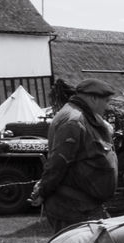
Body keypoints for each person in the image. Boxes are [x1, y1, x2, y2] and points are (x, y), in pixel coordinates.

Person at [29, 78, 119, 234]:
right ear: (93, 98)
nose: (108, 106)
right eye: (106, 101)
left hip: (82, 205)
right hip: (72, 207)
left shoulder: (81, 116)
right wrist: (43, 190)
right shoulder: (74, 121)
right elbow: (58, 163)